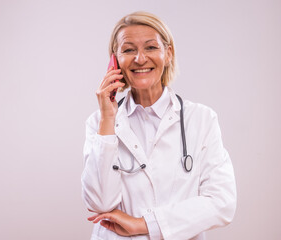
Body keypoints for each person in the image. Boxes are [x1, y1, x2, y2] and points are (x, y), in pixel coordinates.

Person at [81, 11, 236, 240]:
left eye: (151, 47)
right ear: (115, 60)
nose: (140, 59)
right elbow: (99, 203)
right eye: (128, 49)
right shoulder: (99, 122)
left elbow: (222, 202)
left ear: (168, 53)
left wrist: (145, 224)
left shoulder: (201, 119)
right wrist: (107, 119)